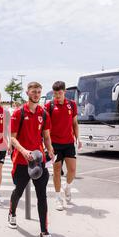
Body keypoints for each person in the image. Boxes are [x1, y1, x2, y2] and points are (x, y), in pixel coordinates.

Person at [8, 81, 58, 237]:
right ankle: (12, 213)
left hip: (38, 159)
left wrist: (49, 149)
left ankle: (44, 233)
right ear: (27, 92)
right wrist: (23, 151)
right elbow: (12, 138)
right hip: (22, 161)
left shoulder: (44, 114)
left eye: (38, 92)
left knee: (42, 195)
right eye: (33, 91)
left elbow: (46, 136)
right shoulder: (18, 113)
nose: (36, 94)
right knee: (18, 191)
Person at [45, 81, 81, 211]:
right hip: (55, 144)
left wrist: (78, 138)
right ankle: (58, 198)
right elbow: (46, 128)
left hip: (69, 143)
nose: (57, 96)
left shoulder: (72, 105)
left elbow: (75, 123)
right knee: (56, 172)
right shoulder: (49, 106)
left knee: (72, 170)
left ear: (64, 92)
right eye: (55, 94)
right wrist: (47, 145)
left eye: (60, 93)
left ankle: (67, 187)